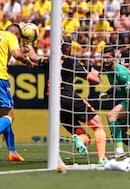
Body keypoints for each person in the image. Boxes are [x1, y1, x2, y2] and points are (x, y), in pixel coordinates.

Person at [0, 23, 38, 161]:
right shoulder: (10, 37)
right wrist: (25, 60)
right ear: (16, 34)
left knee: (4, 115)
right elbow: (16, 55)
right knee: (10, 115)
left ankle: (12, 152)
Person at [44, 35, 108, 164]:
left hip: (53, 104)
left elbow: (34, 59)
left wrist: (28, 50)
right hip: (69, 98)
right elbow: (95, 81)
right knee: (98, 126)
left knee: (84, 136)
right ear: (67, 48)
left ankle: (80, 140)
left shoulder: (48, 61)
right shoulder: (71, 62)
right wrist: (96, 74)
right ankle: (101, 158)